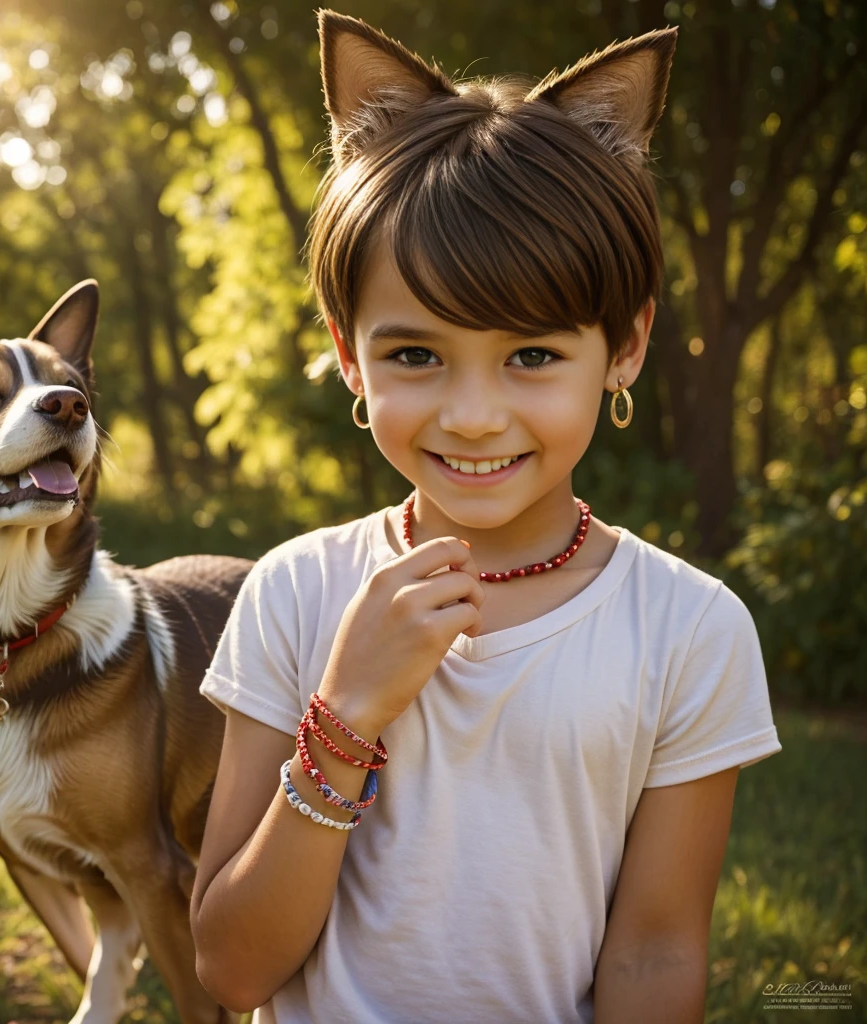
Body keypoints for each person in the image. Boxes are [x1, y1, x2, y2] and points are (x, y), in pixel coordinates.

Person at [189, 10, 782, 1023]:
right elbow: (232, 969)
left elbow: (653, 955)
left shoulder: (690, 630)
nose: (471, 415)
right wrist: (345, 718)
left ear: (625, 346)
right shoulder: (293, 592)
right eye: (415, 354)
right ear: (347, 350)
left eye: (534, 355)